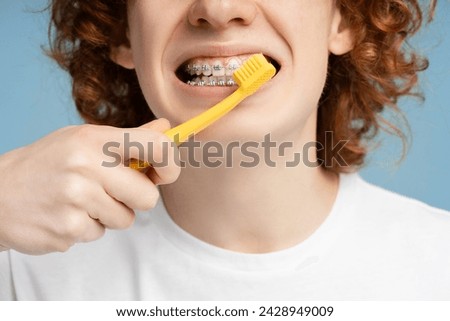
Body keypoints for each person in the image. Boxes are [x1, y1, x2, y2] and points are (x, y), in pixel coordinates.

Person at [0, 0, 449, 300]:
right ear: (123, 33)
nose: (218, 9)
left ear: (344, 19)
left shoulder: (437, 269)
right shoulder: (21, 269)